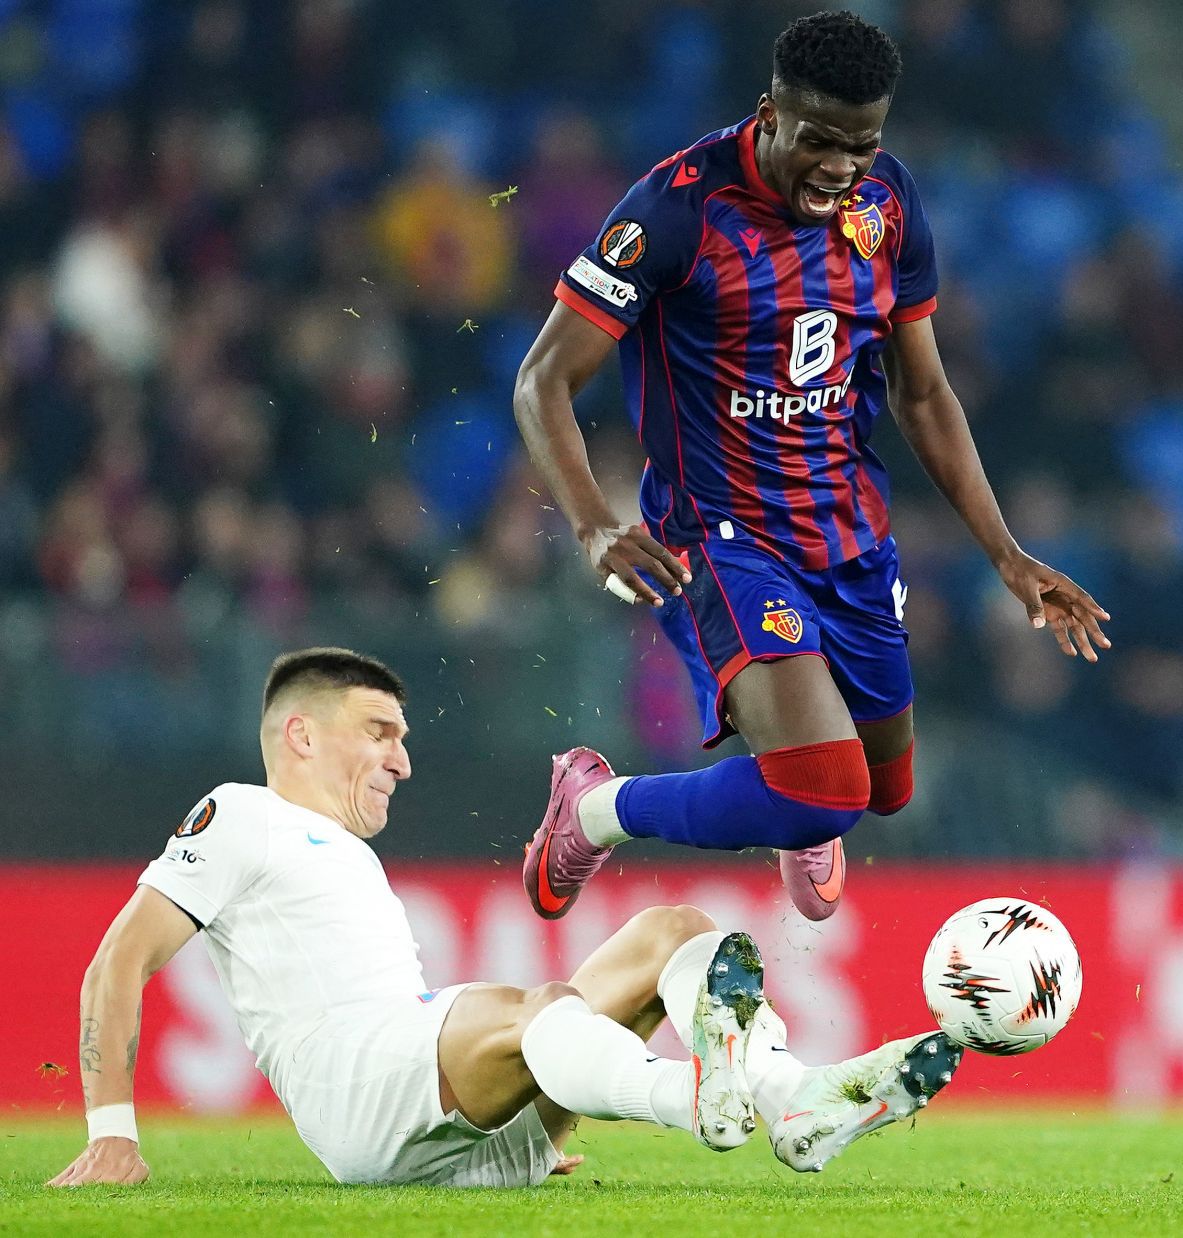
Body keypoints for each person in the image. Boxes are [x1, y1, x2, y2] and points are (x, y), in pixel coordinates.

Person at [513, 10, 1110, 924]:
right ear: (770, 114)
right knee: (823, 787)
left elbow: (924, 396)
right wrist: (594, 522)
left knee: (883, 788)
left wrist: (1006, 553)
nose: (839, 167)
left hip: (848, 533)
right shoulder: (677, 208)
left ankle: (808, 794)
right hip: (718, 534)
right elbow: (542, 378)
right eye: (819, 141)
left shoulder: (889, 204)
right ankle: (592, 809)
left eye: (861, 146)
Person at [47, 646, 962, 1189]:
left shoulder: (347, 855)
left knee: (677, 932)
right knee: (524, 1007)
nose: (403, 760)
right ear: (302, 735)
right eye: (381, 732)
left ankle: (787, 1098)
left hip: (442, 1114)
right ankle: (694, 1099)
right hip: (356, 1093)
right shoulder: (244, 812)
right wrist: (112, 1132)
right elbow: (117, 962)